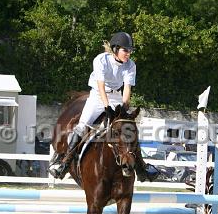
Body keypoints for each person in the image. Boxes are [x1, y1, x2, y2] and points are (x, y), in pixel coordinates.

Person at [49, 31, 160, 181]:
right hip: (97, 96)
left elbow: (127, 89)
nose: (129, 53)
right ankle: (65, 163)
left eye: (130, 50)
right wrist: (106, 106)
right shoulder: (101, 60)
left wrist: (125, 107)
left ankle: (142, 168)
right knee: (82, 127)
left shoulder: (130, 65)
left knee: (128, 128)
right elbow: (100, 85)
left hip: (116, 97)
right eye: (125, 50)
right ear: (115, 49)